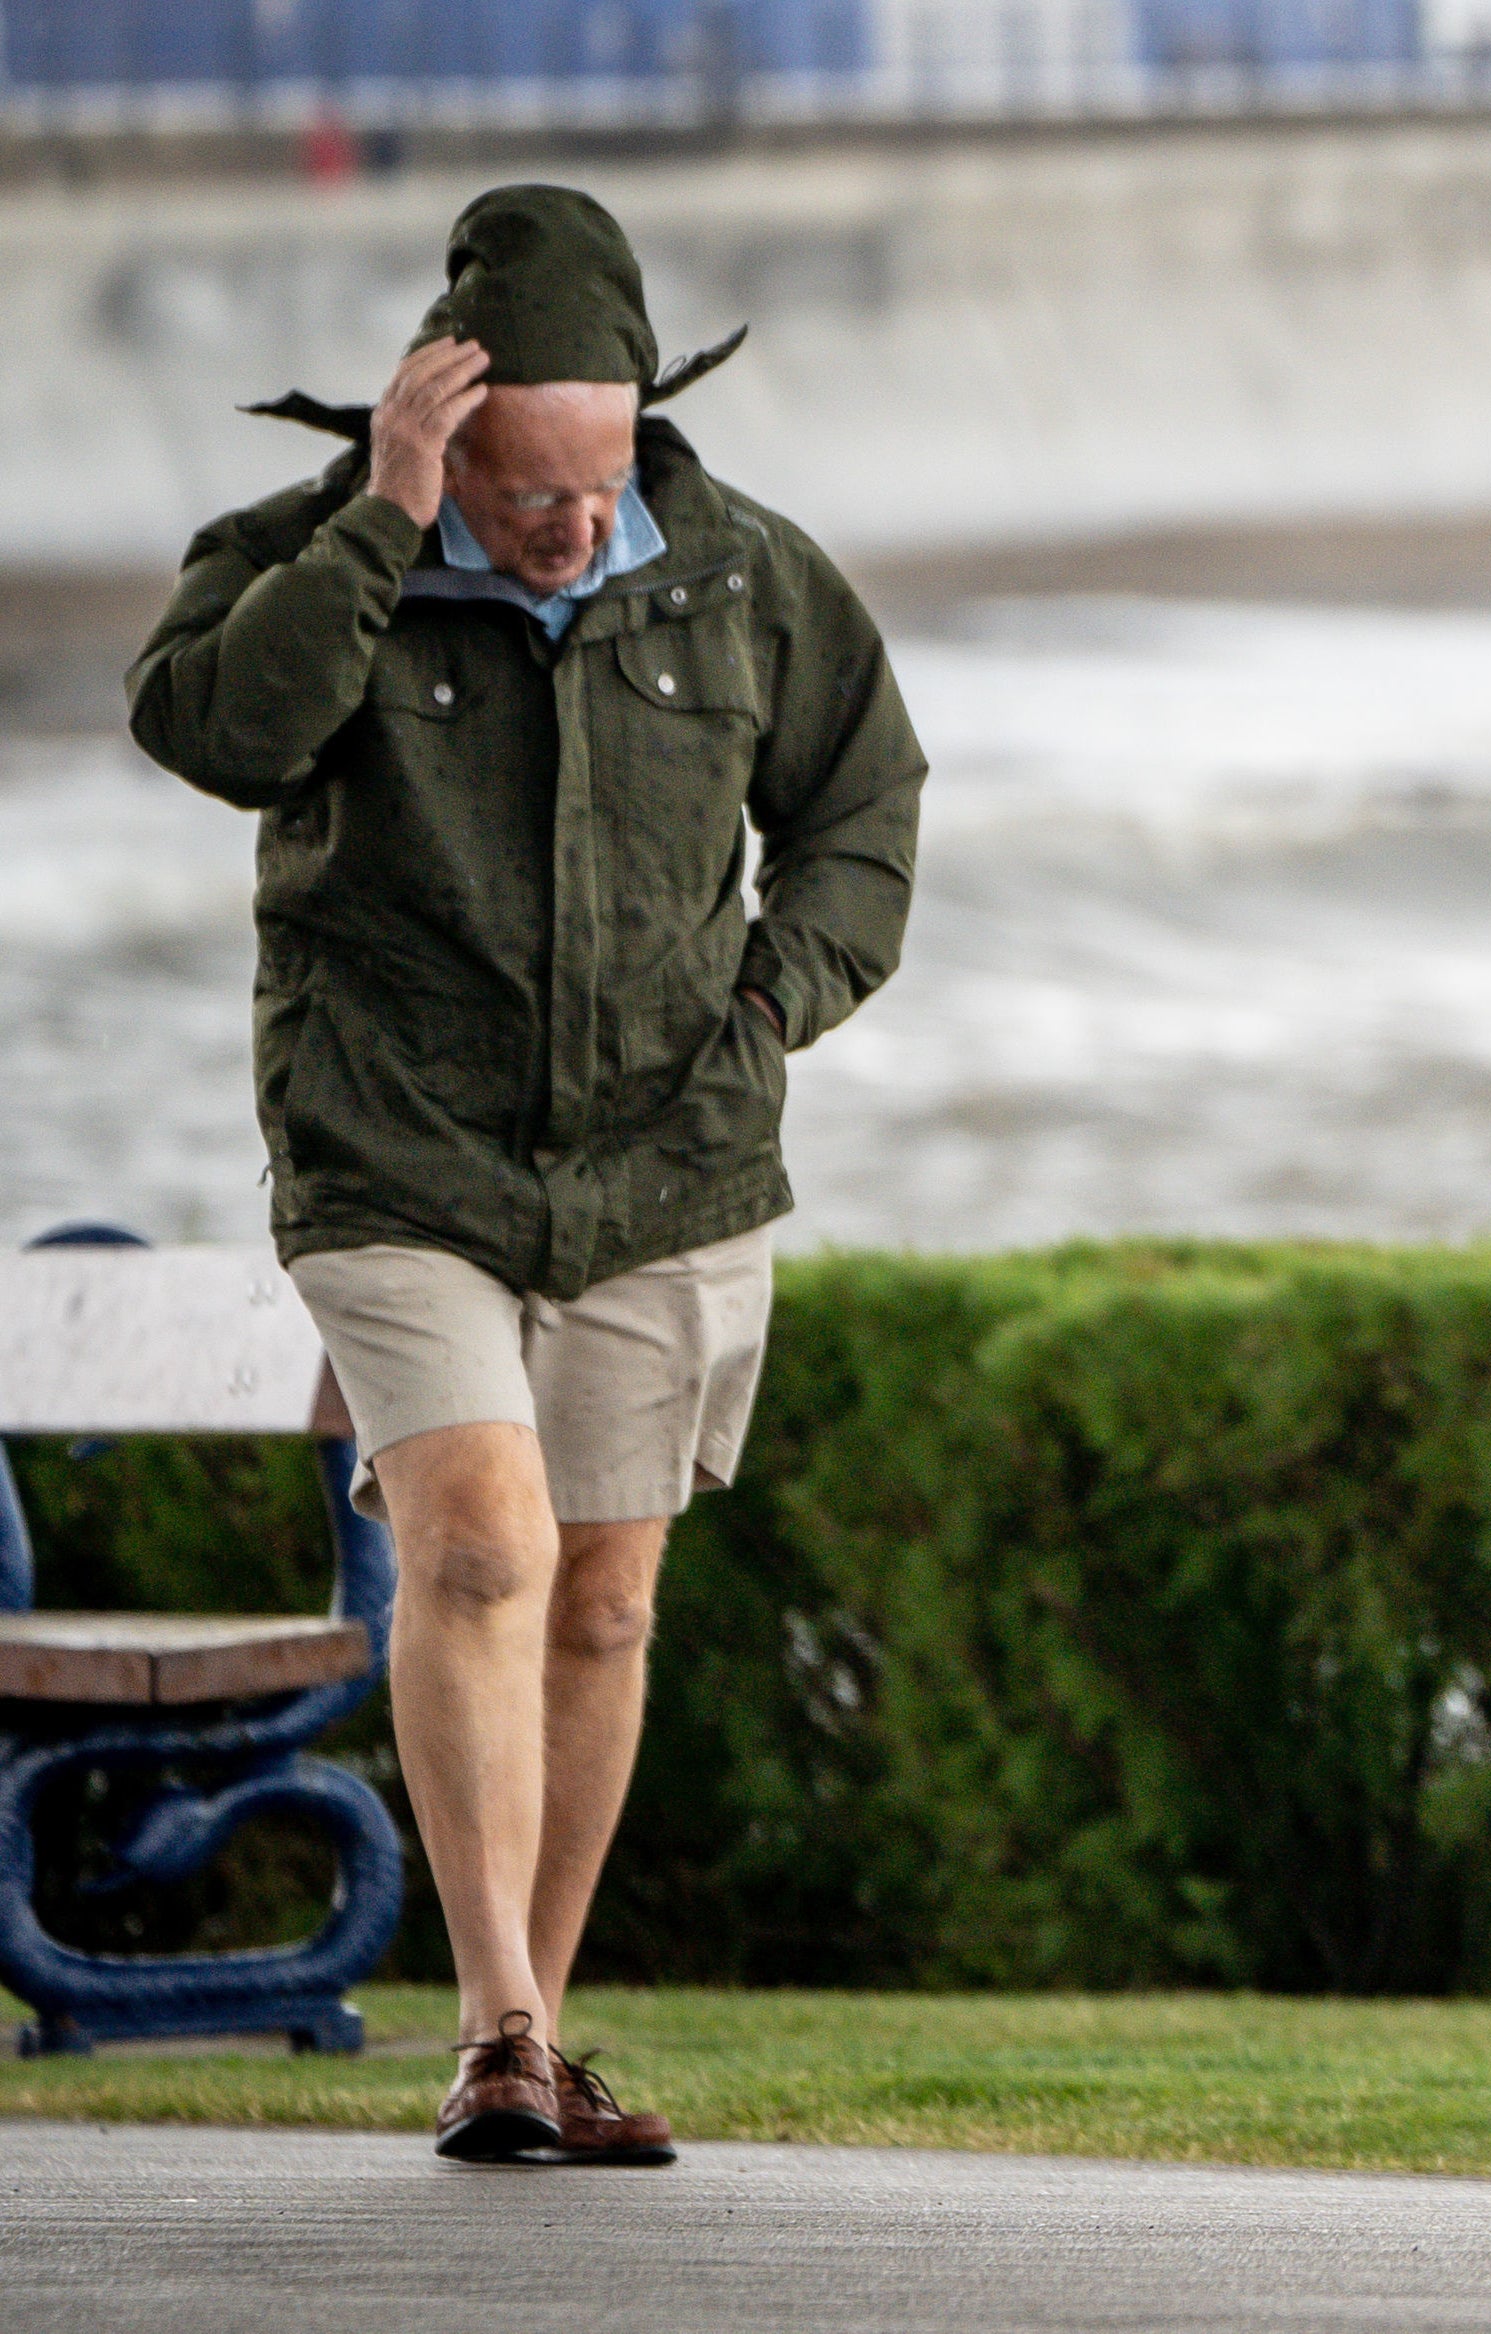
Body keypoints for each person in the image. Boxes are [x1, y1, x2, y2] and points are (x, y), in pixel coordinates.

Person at [127, 186, 926, 2163]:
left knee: (603, 1605)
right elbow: (214, 730)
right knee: (479, 1543)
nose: (570, 528)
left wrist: (767, 1006)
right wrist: (385, 520)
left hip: (670, 1170)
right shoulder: (315, 557)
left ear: (643, 426)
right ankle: (492, 2028)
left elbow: (862, 812)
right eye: (519, 491)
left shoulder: (745, 576)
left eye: (598, 482)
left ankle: (539, 2035)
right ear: (438, 429)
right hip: (393, 1152)